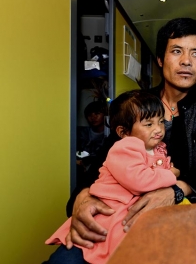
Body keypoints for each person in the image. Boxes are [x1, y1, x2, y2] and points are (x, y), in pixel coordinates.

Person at [44, 18, 196, 264]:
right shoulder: (136, 104)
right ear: (160, 59)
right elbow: (104, 159)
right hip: (116, 213)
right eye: (177, 51)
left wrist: (176, 190)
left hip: (175, 220)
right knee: (65, 261)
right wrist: (82, 197)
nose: (186, 61)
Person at [46, 90, 188, 264]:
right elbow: (140, 181)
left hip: (136, 215)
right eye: (149, 124)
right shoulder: (124, 147)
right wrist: (171, 175)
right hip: (112, 213)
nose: (158, 129)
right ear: (123, 132)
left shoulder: (158, 147)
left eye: (161, 121)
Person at [76, 101, 107, 169]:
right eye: (89, 115)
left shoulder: (110, 135)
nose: (93, 117)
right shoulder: (81, 133)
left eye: (97, 113)